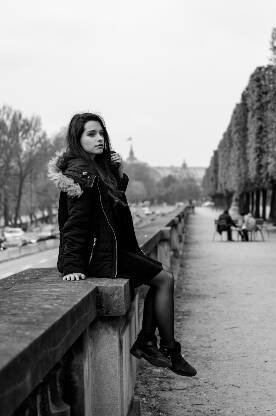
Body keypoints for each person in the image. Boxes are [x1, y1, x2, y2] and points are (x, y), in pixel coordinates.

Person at [48, 112, 196, 377]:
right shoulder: (79, 174)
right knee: (164, 279)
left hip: (113, 248)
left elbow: (112, 205)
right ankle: (166, 349)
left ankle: (150, 343)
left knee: (161, 278)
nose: (99, 138)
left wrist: (117, 172)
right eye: (91, 134)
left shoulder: (96, 169)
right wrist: (71, 265)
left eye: (101, 133)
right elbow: (74, 224)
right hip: (99, 254)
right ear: (77, 138)